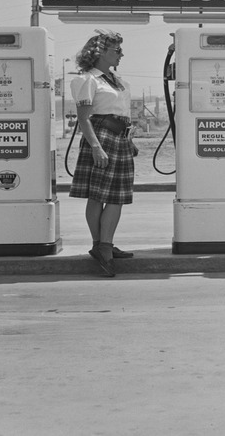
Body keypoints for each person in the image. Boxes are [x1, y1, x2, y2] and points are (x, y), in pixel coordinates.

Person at [69, 29, 138, 277]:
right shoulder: (87, 79)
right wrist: (96, 146)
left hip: (120, 137)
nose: (121, 54)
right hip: (100, 135)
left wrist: (129, 139)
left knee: (118, 195)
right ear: (100, 52)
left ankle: (104, 245)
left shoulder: (117, 80)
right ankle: (102, 246)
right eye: (116, 50)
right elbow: (84, 118)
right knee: (98, 195)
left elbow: (124, 114)